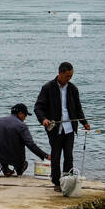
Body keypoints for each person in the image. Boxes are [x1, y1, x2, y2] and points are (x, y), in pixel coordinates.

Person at [33, 62, 91, 191]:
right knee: (56, 155)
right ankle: (56, 182)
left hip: (70, 127)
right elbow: (38, 107)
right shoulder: (47, 88)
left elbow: (78, 108)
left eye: (71, 76)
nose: (69, 78)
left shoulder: (73, 89)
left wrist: (84, 122)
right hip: (55, 128)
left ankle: (67, 180)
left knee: (69, 155)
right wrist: (44, 119)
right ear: (60, 73)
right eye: (67, 76)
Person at [0, 103, 49, 176]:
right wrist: (44, 156)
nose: (25, 118)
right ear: (20, 114)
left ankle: (5, 168)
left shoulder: (0, 120)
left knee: (2, 141)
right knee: (23, 161)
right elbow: (31, 145)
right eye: (25, 115)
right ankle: (19, 171)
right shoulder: (22, 126)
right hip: (15, 158)